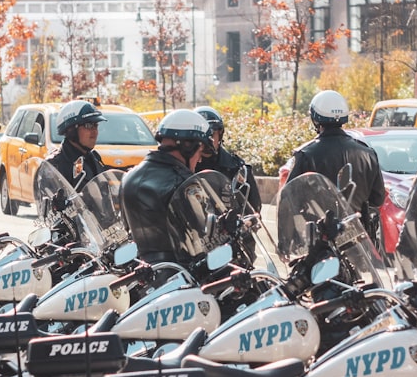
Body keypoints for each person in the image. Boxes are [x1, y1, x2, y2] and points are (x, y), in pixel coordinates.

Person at [287, 90, 386, 242]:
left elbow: (290, 198)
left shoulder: (305, 154)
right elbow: (378, 199)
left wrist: (287, 239)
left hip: (320, 239)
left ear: (314, 118)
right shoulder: (368, 153)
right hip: (359, 240)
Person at [120, 109, 211, 265]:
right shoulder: (183, 183)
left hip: (142, 272)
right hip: (182, 273)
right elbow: (203, 234)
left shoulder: (129, 177)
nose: (200, 160)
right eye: (200, 151)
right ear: (188, 145)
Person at [194, 106, 262, 214]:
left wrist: (239, 222)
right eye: (201, 136)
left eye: (211, 135)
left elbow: (253, 211)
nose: (206, 141)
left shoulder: (236, 168)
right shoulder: (183, 166)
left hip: (227, 229)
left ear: (220, 134)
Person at [44, 99, 110, 188]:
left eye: (96, 125)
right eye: (88, 126)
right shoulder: (54, 166)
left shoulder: (93, 159)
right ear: (71, 130)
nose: (95, 132)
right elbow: (45, 196)